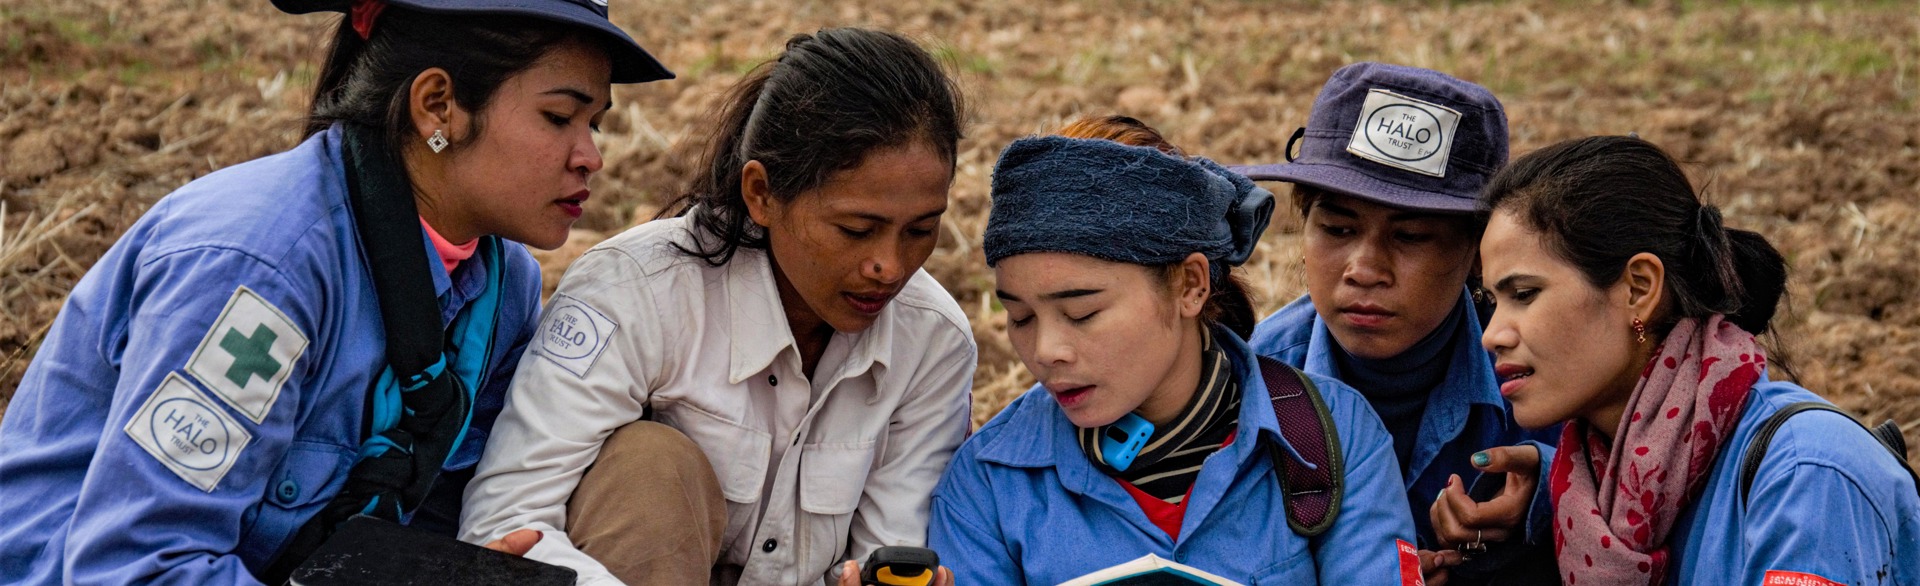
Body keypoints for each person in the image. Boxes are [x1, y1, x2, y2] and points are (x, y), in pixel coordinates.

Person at [0, 1, 671, 583]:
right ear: (438, 105)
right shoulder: (263, 269)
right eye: (559, 118)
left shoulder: (503, 288)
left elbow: (442, 514)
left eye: (598, 125)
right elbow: (135, 563)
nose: (591, 156)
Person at [458, 27, 973, 586]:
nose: (890, 267)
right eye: (856, 230)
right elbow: (507, 519)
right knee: (650, 465)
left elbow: (892, 550)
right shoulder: (636, 292)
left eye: (922, 229)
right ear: (761, 194)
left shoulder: (933, 341)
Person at [928, 116, 1419, 584]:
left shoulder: (1331, 438)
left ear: (1190, 285)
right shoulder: (988, 484)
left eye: (1081, 314)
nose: (1046, 350)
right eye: (1020, 317)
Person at [1477, 135, 1920, 584]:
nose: (1491, 335)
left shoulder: (1807, 473)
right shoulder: (1586, 491)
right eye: (1490, 301)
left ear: (1639, 289)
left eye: (1524, 295)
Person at [1232, 62, 1558, 583]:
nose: (1364, 269)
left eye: (1410, 237)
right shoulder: (1254, 381)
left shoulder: (1548, 368)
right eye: (1337, 228)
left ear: (1478, 251)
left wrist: (1547, 493)